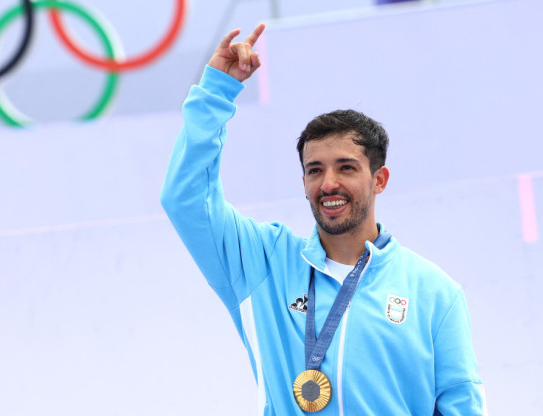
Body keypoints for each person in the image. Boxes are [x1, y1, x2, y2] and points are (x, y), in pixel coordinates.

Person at [160, 24, 486, 415]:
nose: (328, 183)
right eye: (315, 170)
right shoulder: (265, 264)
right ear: (303, 181)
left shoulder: (433, 293)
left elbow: (461, 407)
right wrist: (215, 92)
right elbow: (186, 199)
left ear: (379, 179)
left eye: (346, 168)